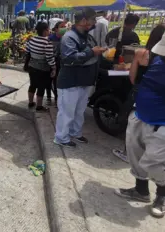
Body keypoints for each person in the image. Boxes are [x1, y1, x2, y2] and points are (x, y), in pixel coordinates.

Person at [114, 22, 165, 218]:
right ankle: (141, 191)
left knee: (154, 164)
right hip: (140, 116)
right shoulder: (159, 59)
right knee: (135, 156)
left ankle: (163, 192)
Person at [112, 24, 165, 163]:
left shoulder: (142, 53)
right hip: (161, 96)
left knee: (134, 126)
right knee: (152, 127)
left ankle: (127, 154)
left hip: (140, 92)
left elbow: (132, 76)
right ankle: (147, 155)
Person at [53, 7, 107, 147]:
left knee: (79, 111)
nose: (94, 22)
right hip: (71, 82)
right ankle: (61, 138)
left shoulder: (88, 37)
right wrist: (92, 52)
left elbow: (92, 52)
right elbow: (69, 58)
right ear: (83, 20)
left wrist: (99, 52)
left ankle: (75, 133)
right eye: (92, 19)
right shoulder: (69, 37)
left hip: (85, 81)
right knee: (67, 113)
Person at [25, 22, 56, 112]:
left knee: (33, 85)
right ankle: (39, 106)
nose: (49, 31)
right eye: (48, 29)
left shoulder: (31, 39)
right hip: (43, 69)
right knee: (41, 87)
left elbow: (27, 51)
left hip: (32, 66)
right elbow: (49, 57)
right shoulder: (47, 42)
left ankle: (31, 102)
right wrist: (54, 67)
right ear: (45, 30)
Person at [48, 21, 67, 105]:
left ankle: (57, 98)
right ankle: (50, 97)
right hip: (52, 61)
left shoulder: (67, 38)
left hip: (62, 62)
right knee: (51, 80)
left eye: (65, 26)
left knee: (58, 81)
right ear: (56, 29)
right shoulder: (51, 38)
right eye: (62, 26)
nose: (64, 28)